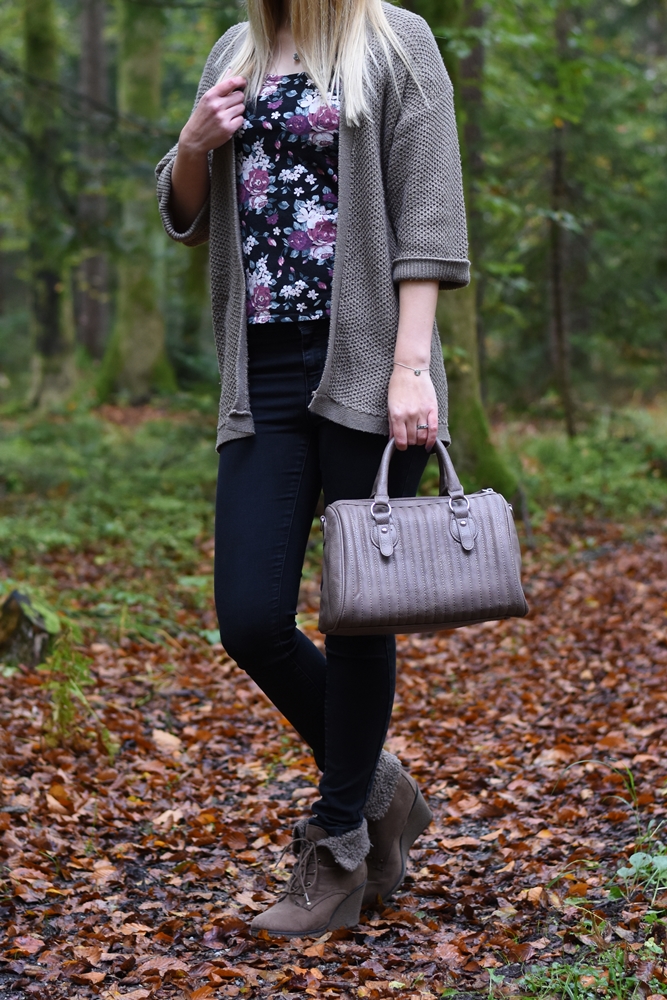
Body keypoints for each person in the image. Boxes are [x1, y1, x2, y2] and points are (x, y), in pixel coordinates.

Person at [156, 0, 469, 938]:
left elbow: (430, 213)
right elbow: (185, 213)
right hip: (260, 374)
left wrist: (411, 370)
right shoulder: (237, 47)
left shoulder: (394, 40)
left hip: (372, 366)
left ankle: (336, 849)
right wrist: (191, 140)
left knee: (358, 615)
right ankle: (378, 785)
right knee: (250, 618)